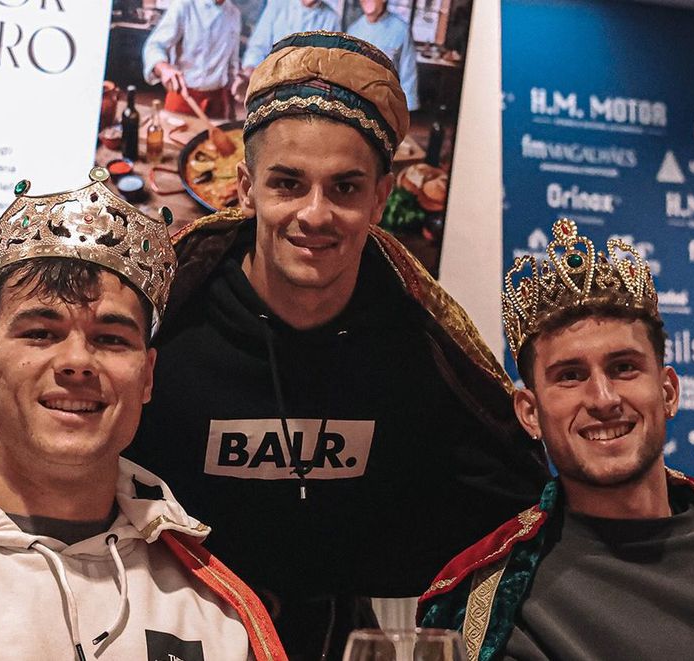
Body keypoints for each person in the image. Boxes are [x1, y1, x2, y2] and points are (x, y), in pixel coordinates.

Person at [127, 31, 549, 659]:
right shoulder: (167, 331)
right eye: (287, 184)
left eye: (346, 188)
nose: (315, 214)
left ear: (381, 196)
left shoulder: (418, 350)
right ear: (245, 188)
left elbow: (508, 511)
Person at [0, 168, 285, 660]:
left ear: (148, 375)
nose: (76, 362)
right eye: (40, 333)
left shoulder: (214, 610)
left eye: (111, 339)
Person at [419, 219, 694, 661]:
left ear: (667, 392)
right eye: (570, 377)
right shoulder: (486, 601)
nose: (603, 398)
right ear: (530, 413)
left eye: (624, 367)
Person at [143, 0, 241, 118]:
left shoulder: (234, 14)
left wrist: (230, 108)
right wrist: (164, 68)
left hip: (217, 102)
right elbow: (154, 45)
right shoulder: (184, 5)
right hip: (183, 97)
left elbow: (232, 64)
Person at [232, 0, 341, 103]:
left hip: (307, 95)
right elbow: (258, 47)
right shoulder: (278, 6)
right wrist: (249, 74)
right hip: (270, 90)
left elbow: (328, 66)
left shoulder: (331, 18)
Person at [347, 0, 420, 111]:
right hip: (356, 104)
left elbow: (408, 73)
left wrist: (407, 109)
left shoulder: (401, 30)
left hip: (387, 106)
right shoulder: (353, 30)